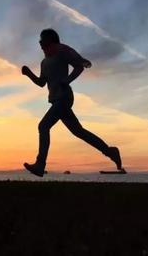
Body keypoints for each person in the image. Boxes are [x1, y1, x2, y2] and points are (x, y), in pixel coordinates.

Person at [22, 28, 124, 177]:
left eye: (42, 40)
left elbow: (79, 66)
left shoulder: (62, 51)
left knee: (43, 126)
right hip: (56, 100)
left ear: (51, 40)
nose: (40, 43)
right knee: (79, 132)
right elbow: (41, 83)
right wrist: (29, 74)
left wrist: (67, 80)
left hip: (64, 98)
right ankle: (110, 151)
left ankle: (40, 164)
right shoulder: (44, 62)